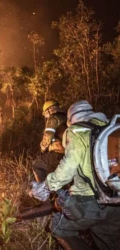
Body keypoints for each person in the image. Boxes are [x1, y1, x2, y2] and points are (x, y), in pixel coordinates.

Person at [30, 100, 120, 250]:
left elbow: (68, 166)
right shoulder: (108, 129)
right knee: (108, 239)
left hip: (90, 204)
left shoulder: (77, 131)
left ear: (71, 120)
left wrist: (46, 186)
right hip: (115, 201)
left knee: (57, 227)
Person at [32, 99, 67, 182]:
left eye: (45, 113)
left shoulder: (53, 118)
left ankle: (43, 192)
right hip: (70, 153)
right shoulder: (66, 117)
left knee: (36, 164)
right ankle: (58, 192)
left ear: (50, 110)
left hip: (59, 153)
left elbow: (48, 135)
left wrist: (43, 148)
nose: (46, 116)